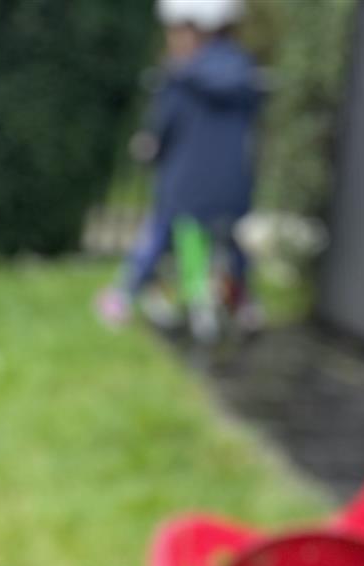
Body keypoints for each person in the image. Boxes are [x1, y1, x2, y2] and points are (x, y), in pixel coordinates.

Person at [97, 0, 265, 329]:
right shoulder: (245, 69)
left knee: (161, 230)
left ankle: (122, 297)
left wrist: (149, 147)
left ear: (193, 30)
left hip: (185, 187)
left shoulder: (178, 76)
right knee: (229, 238)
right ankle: (245, 304)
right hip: (232, 185)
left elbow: (163, 129)